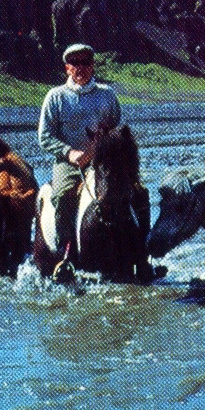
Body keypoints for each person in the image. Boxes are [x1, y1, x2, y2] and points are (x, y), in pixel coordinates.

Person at [38, 43, 123, 253]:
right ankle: (65, 253)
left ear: (92, 65)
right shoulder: (55, 97)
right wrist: (69, 152)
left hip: (102, 162)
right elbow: (44, 136)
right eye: (74, 63)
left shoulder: (108, 95)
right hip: (69, 164)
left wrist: (101, 149)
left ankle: (140, 256)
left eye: (85, 62)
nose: (80, 67)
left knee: (136, 192)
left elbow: (119, 129)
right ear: (67, 67)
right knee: (62, 195)